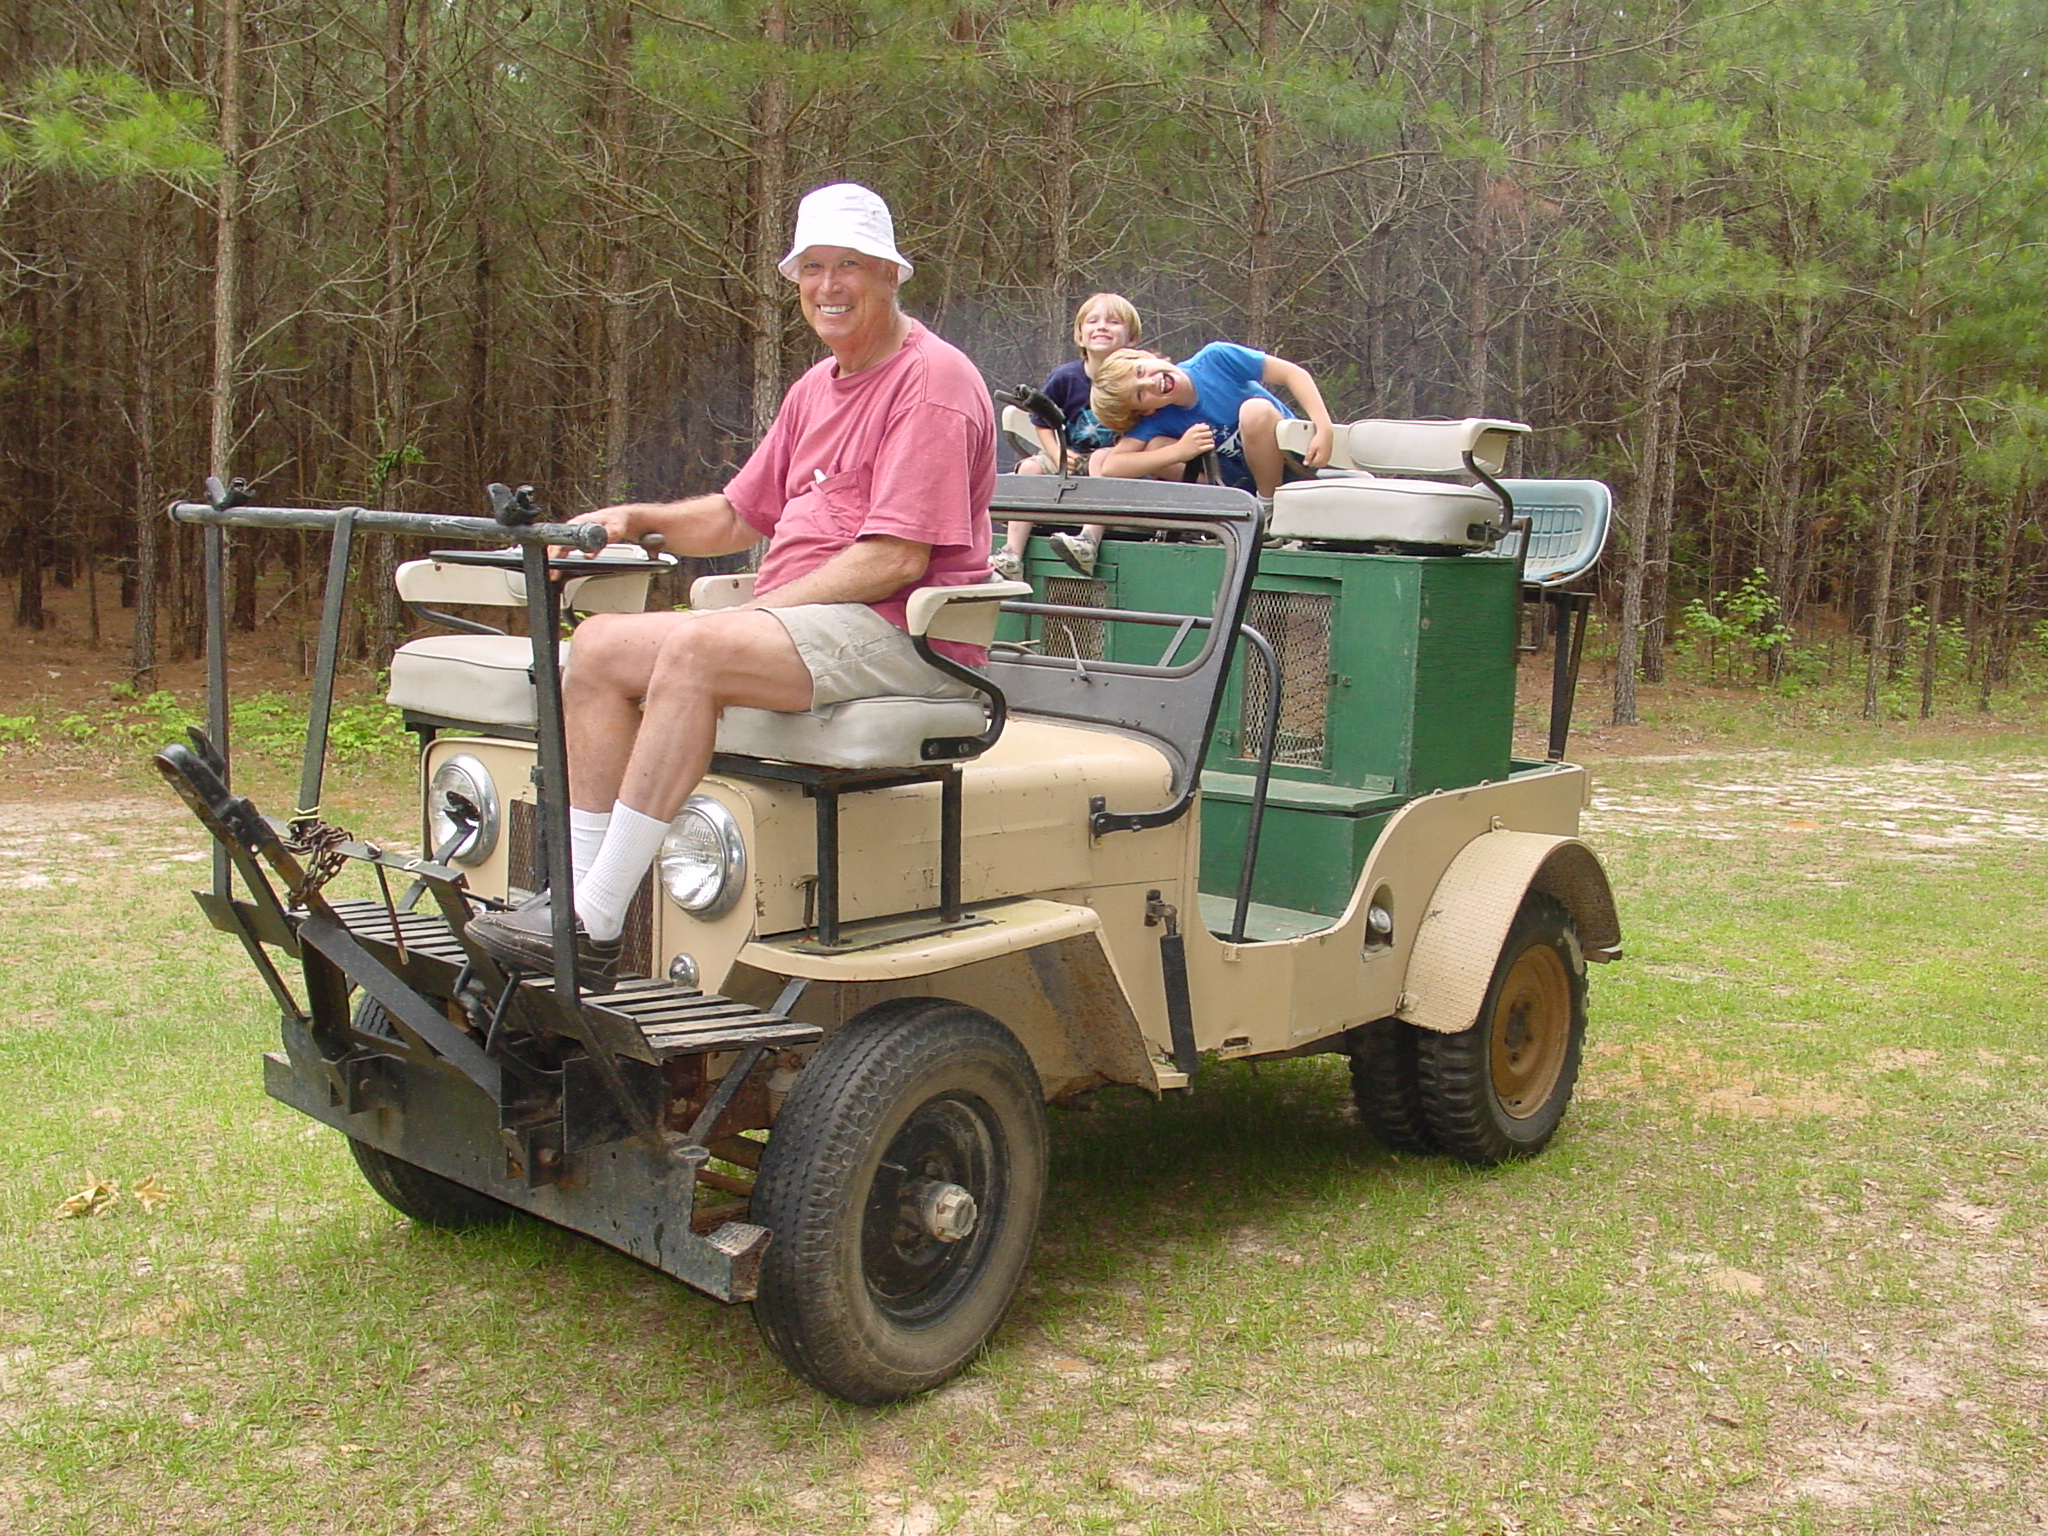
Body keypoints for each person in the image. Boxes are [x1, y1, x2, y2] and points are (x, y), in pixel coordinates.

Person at [466, 183, 994, 984]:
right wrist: (631, 518)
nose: (827, 286)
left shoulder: (932, 384)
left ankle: (598, 921)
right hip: (811, 625)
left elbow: (894, 560)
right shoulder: (816, 388)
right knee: (602, 647)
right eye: (812, 267)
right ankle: (566, 904)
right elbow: (735, 517)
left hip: (905, 635)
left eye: (847, 265)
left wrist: (756, 612)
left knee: (698, 647)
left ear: (890, 274)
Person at [993, 293, 1142, 580]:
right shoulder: (1066, 377)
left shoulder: (1136, 379)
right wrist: (1056, 454)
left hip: (1113, 461)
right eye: (1093, 321)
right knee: (1030, 468)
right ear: (1080, 335)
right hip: (1066, 456)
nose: (1101, 327)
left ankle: (1087, 543)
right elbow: (1042, 421)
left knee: (1101, 458)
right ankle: (1011, 553)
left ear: (1131, 338)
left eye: (1113, 322)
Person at [1089, 342, 1334, 499]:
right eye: (1140, 394)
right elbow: (1113, 467)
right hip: (1239, 485)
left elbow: (1292, 374)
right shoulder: (1160, 417)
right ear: (1145, 411)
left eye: (1140, 371)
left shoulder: (1215, 359)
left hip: (1291, 460)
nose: (1150, 382)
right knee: (1155, 448)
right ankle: (1220, 506)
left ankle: (1266, 508)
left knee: (1254, 410)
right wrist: (1180, 451)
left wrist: (1324, 429)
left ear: (1147, 356)